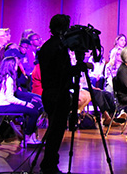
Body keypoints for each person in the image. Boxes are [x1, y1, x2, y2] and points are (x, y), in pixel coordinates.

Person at [38, 14, 87, 174]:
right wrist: (77, 68)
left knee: (55, 131)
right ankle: (49, 165)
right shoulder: (58, 47)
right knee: (55, 132)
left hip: (51, 93)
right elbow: (61, 72)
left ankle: (50, 163)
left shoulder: (48, 45)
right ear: (63, 28)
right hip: (57, 94)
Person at [0, 56, 43, 146]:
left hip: (3, 104)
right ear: (11, 66)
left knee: (33, 108)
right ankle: (27, 138)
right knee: (33, 111)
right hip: (2, 106)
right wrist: (25, 103)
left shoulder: (3, 77)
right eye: (16, 64)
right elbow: (9, 98)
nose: (17, 66)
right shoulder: (8, 79)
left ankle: (31, 136)